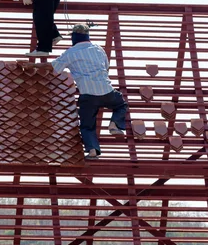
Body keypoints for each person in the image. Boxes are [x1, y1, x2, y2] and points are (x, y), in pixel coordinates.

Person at [20, 24, 128, 160]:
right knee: (121, 105)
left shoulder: (70, 53)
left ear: (74, 37)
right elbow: (106, 68)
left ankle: (93, 151)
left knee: (87, 125)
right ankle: (114, 124)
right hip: (106, 91)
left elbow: (51, 67)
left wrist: (33, 65)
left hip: (87, 95)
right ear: (87, 35)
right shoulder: (98, 49)